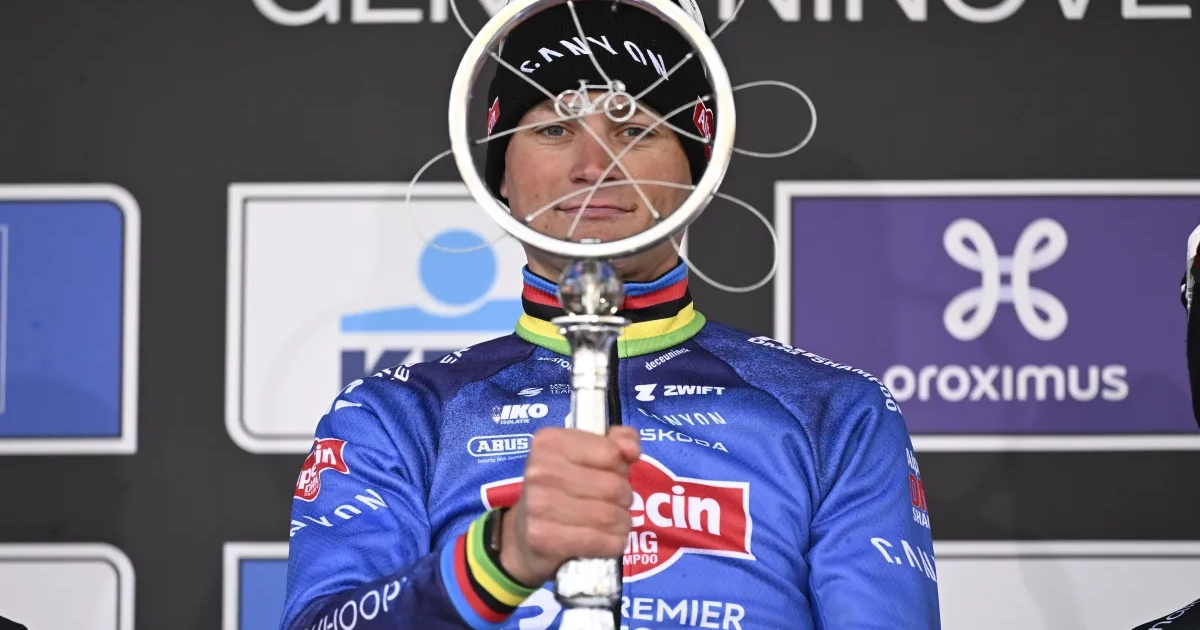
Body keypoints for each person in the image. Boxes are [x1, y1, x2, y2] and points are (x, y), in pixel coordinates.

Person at [278, 2, 942, 629]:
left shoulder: (835, 413)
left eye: (635, 129)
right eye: (554, 128)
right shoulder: (398, 418)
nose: (594, 166)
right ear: (499, 174)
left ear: (698, 170)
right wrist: (498, 559)